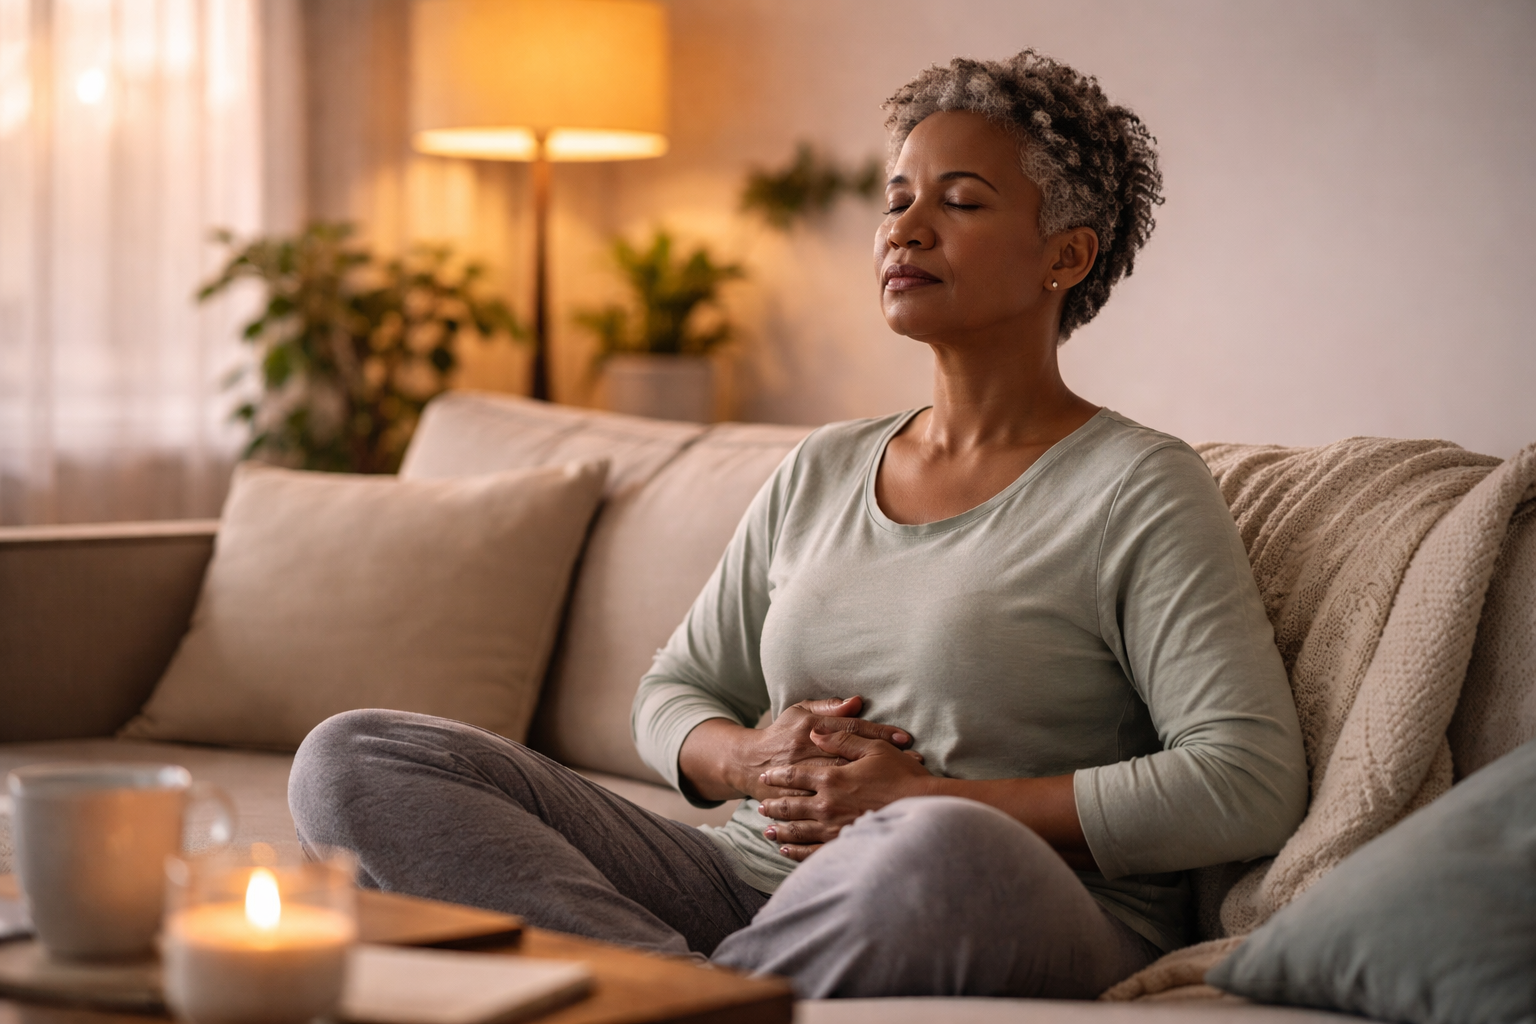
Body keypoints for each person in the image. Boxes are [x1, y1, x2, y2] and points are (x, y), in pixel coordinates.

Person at [289, 50, 1307, 1000]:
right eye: (897, 198)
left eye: (960, 201)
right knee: (355, 754)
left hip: (993, 888)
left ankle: (659, 997)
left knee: (933, 849)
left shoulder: (1138, 484)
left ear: (1065, 256)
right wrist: (747, 762)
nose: (906, 228)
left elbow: (1245, 778)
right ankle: (691, 996)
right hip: (741, 880)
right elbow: (674, 690)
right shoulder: (823, 465)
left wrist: (924, 804)